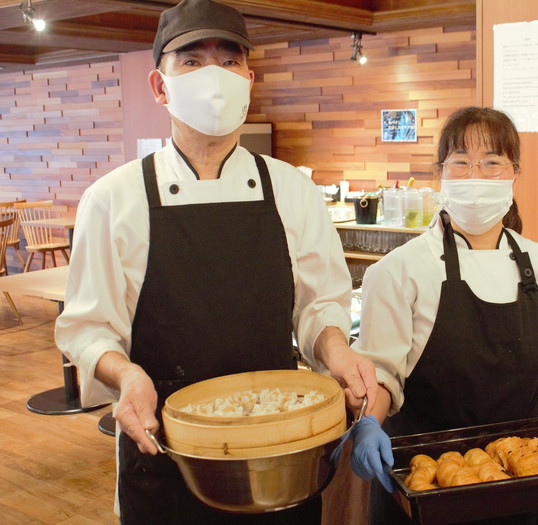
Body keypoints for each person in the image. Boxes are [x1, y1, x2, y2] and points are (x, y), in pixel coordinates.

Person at [54, 1, 379, 523]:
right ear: (160, 86)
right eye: (192, 60)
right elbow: (89, 329)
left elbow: (320, 307)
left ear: (249, 80)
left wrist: (337, 352)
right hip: (164, 453)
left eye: (229, 62)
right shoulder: (114, 199)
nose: (214, 77)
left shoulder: (292, 190)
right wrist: (127, 376)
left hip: (281, 449)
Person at [347, 107, 538, 524]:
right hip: (425, 488)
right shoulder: (400, 271)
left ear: (514, 175)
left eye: (492, 163)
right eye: (462, 162)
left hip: (518, 483)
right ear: (441, 174)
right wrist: (368, 424)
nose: (476, 175)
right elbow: (381, 375)